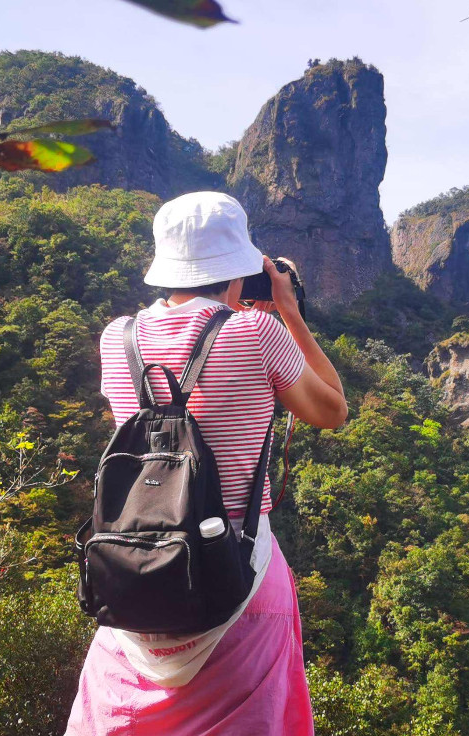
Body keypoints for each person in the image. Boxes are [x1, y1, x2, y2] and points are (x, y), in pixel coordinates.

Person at [65, 191, 347, 736]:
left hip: (133, 579)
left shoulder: (115, 338)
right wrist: (289, 312)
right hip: (237, 574)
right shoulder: (257, 332)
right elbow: (332, 410)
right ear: (239, 267)